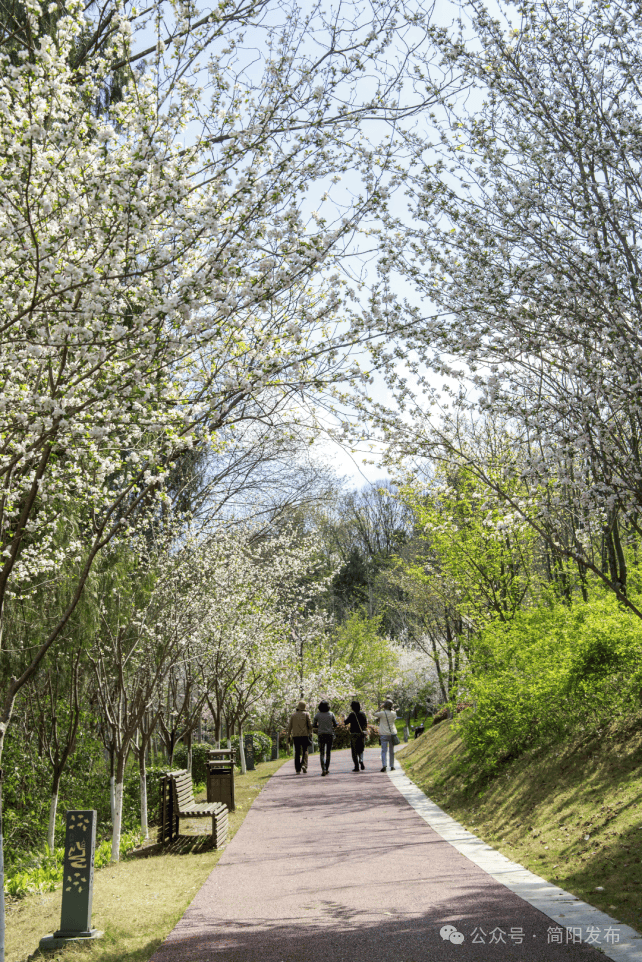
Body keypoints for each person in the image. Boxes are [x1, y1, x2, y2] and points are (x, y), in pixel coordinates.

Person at [287, 700, 313, 774]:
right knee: (305, 750)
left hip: (296, 736)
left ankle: (297, 769)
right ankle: (304, 764)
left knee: (297, 752)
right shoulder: (306, 714)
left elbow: (289, 727)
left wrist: (288, 736)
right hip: (305, 735)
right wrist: (310, 732)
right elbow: (310, 725)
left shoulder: (293, 715)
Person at [313, 700, 338, 775]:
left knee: (322, 753)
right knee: (328, 752)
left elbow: (314, 725)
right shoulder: (331, 714)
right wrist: (332, 726)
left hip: (321, 734)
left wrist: (319, 726)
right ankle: (327, 768)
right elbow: (335, 724)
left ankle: (323, 769)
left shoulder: (317, 715)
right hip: (329, 734)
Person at [344, 699, 368, 771]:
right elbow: (365, 724)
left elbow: (345, 722)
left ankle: (356, 766)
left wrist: (345, 717)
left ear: (352, 707)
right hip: (361, 734)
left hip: (353, 734)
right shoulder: (363, 714)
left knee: (354, 751)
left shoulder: (352, 714)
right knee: (361, 749)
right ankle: (361, 759)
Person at [374, 698, 397, 772]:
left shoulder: (382, 713)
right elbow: (394, 719)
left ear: (385, 706)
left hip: (384, 734)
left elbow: (374, 714)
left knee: (384, 750)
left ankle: (384, 765)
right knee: (391, 751)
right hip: (392, 733)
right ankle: (392, 766)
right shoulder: (394, 713)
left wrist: (380, 707)